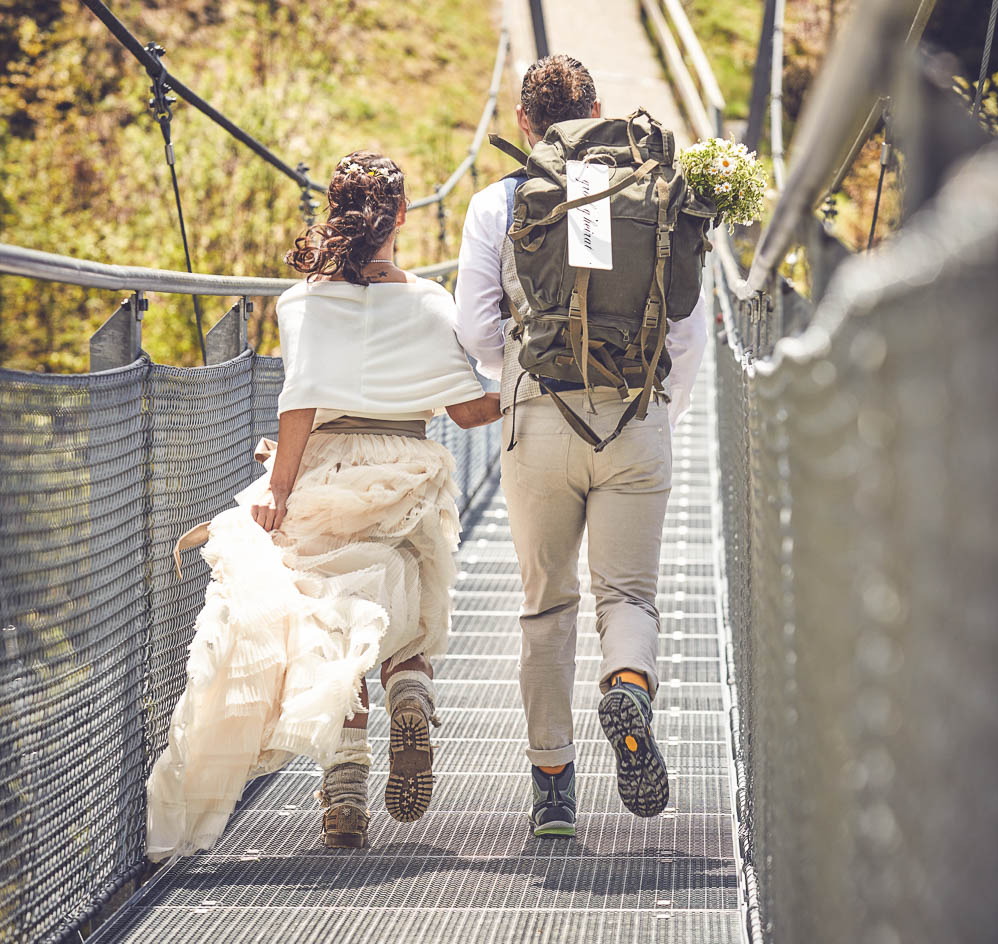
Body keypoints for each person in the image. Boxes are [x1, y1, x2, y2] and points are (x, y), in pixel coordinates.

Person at [146, 151, 500, 859]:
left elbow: (300, 398)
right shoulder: (430, 304)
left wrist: (279, 489)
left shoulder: (300, 301)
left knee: (335, 626)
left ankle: (344, 792)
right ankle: (412, 695)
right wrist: (529, 375)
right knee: (413, 611)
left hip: (325, 471)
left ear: (334, 213)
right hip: (407, 468)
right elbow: (467, 413)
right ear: (402, 216)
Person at [454, 55, 708, 837]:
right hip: (634, 416)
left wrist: (523, 377)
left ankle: (553, 790)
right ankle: (627, 681)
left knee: (545, 605)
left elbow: (473, 327)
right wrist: (658, 412)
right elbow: (690, 330)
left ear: (526, 124)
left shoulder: (500, 201)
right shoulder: (655, 197)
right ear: (597, 108)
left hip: (540, 419)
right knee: (627, 597)